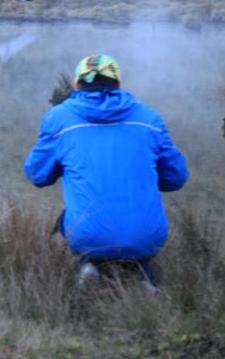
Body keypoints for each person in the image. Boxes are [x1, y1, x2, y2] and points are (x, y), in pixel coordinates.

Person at [24, 55, 188, 290]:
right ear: (118, 84)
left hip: (88, 235)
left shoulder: (59, 119)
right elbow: (176, 178)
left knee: (68, 220)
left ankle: (86, 266)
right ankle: (142, 276)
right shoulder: (150, 119)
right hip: (148, 236)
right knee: (138, 224)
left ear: (78, 85)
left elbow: (37, 175)